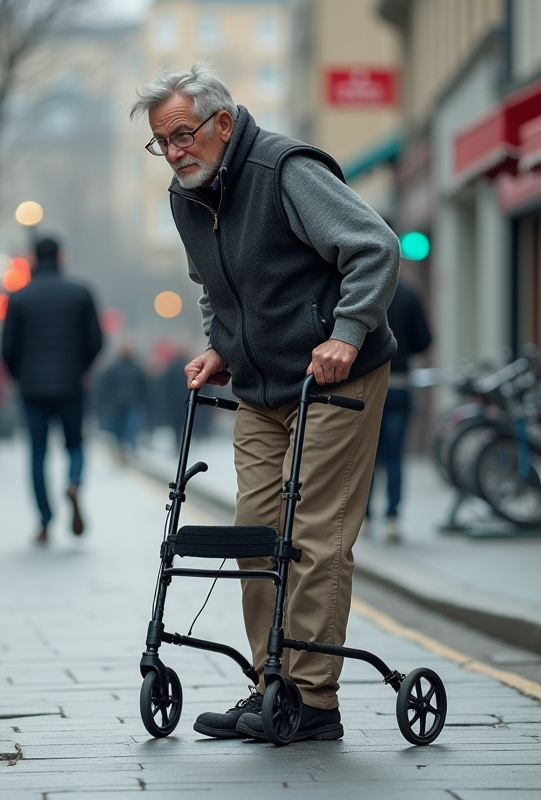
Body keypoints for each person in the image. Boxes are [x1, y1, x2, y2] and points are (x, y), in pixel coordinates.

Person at [132, 65, 399, 742]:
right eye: (162, 142)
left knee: (311, 535)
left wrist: (347, 333)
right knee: (255, 534)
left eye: (183, 135)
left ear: (223, 124)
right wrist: (221, 345)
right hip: (260, 386)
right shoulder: (187, 196)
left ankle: (313, 702)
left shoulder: (284, 170)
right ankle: (271, 684)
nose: (174, 152)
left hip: (334, 379)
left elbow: (375, 248)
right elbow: (214, 287)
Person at [1, 238, 103, 544]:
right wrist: (82, 369)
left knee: (37, 454)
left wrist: (20, 376)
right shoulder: (81, 292)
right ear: (61, 256)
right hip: (71, 384)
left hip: (32, 388)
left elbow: (7, 348)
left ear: (33, 259)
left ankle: (45, 521)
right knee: (75, 445)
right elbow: (96, 341)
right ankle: (73, 482)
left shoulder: (18, 298)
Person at [366, 277, 433, 543]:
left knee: (367, 456)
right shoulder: (408, 293)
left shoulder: (363, 289)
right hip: (400, 384)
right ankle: (393, 517)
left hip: (367, 386)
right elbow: (424, 340)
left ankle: (367, 516)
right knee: (395, 456)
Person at [96, 342, 150, 461]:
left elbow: (105, 386)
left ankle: (123, 449)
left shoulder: (113, 367)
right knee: (130, 428)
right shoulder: (137, 368)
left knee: (122, 428)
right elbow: (144, 387)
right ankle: (130, 449)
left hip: (120, 403)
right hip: (131, 403)